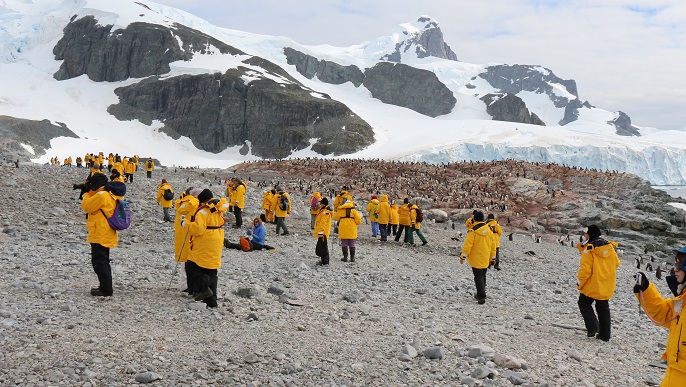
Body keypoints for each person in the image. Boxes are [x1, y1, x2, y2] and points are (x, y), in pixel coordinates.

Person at [634, 246, 686, 386]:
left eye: (679, 264)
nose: (675, 269)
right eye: (675, 264)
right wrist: (646, 289)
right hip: (675, 371)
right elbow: (665, 314)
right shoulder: (683, 299)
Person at [80, 173, 126, 297]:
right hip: (107, 232)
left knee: (99, 261)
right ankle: (105, 286)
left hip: (100, 232)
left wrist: (85, 194)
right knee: (104, 260)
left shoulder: (102, 195)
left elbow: (87, 206)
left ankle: (106, 289)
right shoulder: (110, 194)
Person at [182, 189, 227, 308]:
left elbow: (198, 229)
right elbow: (222, 221)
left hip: (205, 241)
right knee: (211, 269)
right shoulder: (217, 209)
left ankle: (204, 288)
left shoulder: (203, 211)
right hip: (216, 239)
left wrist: (185, 224)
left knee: (192, 266)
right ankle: (212, 301)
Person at [576, 225, 620, 341]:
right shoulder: (610, 246)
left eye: (586, 234)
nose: (584, 236)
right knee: (603, 307)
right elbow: (617, 263)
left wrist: (580, 283)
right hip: (606, 283)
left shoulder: (589, 249)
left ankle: (593, 327)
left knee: (583, 302)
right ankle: (605, 335)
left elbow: (585, 270)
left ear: (590, 235)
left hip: (592, 284)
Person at [460, 211, 495, 304]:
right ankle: (482, 292)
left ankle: (481, 295)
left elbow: (467, 245)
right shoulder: (489, 231)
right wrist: (493, 258)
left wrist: (463, 257)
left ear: (474, 219)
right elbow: (493, 246)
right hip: (485, 257)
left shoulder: (473, 231)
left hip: (476, 258)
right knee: (483, 275)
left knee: (478, 276)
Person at [174, 188, 201, 293]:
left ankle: (183, 284)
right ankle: (187, 285)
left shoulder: (182, 203)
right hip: (189, 235)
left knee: (184, 260)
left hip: (182, 235)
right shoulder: (194, 204)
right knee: (190, 262)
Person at [313, 198, 333, 265]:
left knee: (322, 247)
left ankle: (325, 261)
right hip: (323, 232)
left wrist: (320, 233)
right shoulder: (324, 211)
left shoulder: (325, 212)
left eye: (320, 203)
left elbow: (323, 223)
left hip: (323, 233)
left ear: (323, 204)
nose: (319, 205)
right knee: (323, 246)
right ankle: (324, 261)